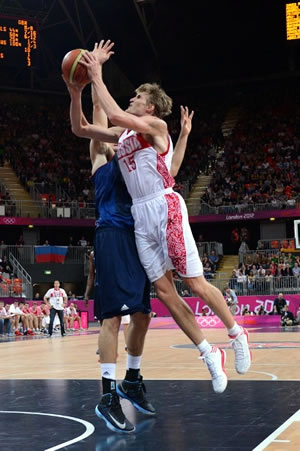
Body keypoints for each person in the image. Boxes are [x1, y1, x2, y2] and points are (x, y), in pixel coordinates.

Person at [71, 40, 251, 396]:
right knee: (165, 292)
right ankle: (209, 352)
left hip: (164, 206)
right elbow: (82, 129)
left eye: (136, 96)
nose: (131, 99)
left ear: (149, 105)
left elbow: (120, 116)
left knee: (194, 283)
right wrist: (74, 88)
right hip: (140, 215)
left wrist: (97, 74)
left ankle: (235, 332)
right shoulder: (122, 137)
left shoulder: (153, 125)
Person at [64, 41, 197, 433]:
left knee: (142, 314)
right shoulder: (102, 155)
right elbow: (86, 124)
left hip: (140, 233)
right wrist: (84, 84)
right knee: (112, 318)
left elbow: (169, 168)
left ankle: (132, 380)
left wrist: (184, 135)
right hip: (111, 235)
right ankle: (107, 396)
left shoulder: (133, 153)